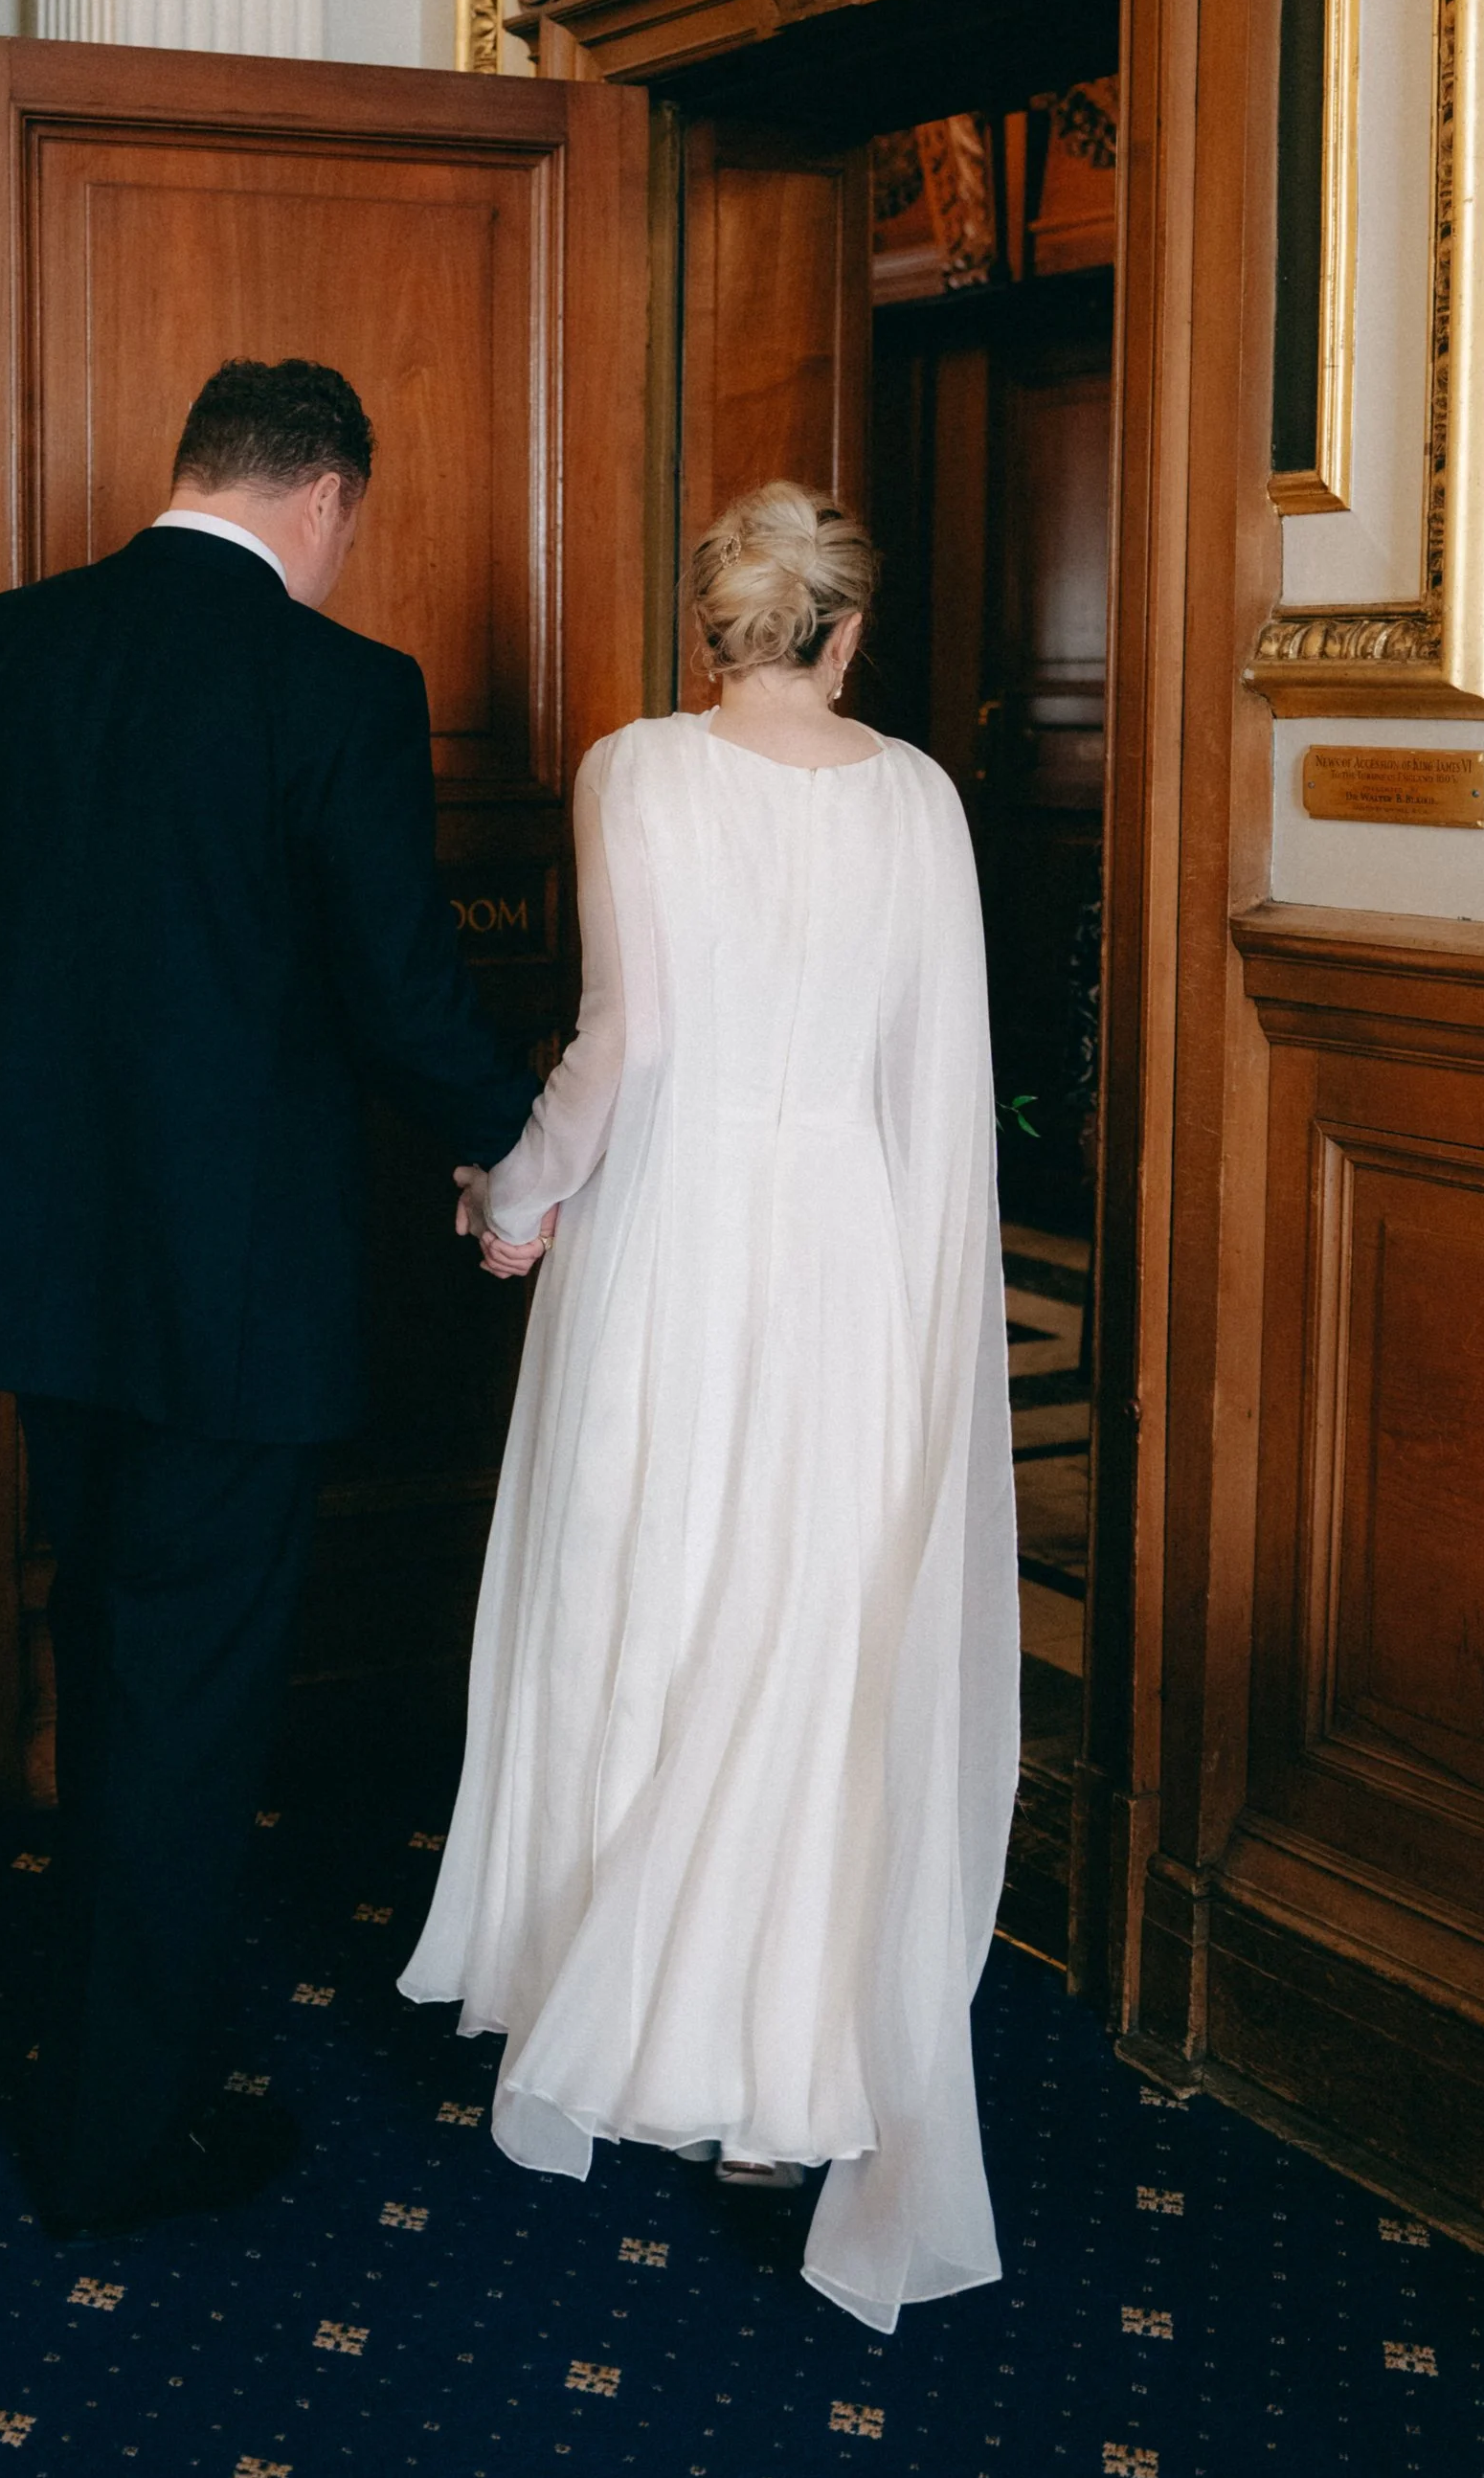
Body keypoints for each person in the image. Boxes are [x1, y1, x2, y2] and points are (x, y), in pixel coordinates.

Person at [0, 358, 538, 2242]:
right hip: (231, 1314)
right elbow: (397, 994)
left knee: (114, 1664)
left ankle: (115, 2055)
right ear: (326, 499)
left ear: (192, 470)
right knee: (184, 1707)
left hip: (44, 1276)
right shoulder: (339, 687)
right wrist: (522, 1153)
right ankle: (118, 2131)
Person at [403, 479, 1021, 2334]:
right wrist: (926, 1316)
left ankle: (602, 1989)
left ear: (713, 629)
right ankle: (772, 2068)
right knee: (808, 1623)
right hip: (842, 1238)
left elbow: (624, 1043)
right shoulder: (915, 796)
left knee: (642, 1587)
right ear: (846, 635)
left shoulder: (635, 770)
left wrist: (514, 1197)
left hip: (670, 1230)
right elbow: (934, 1086)